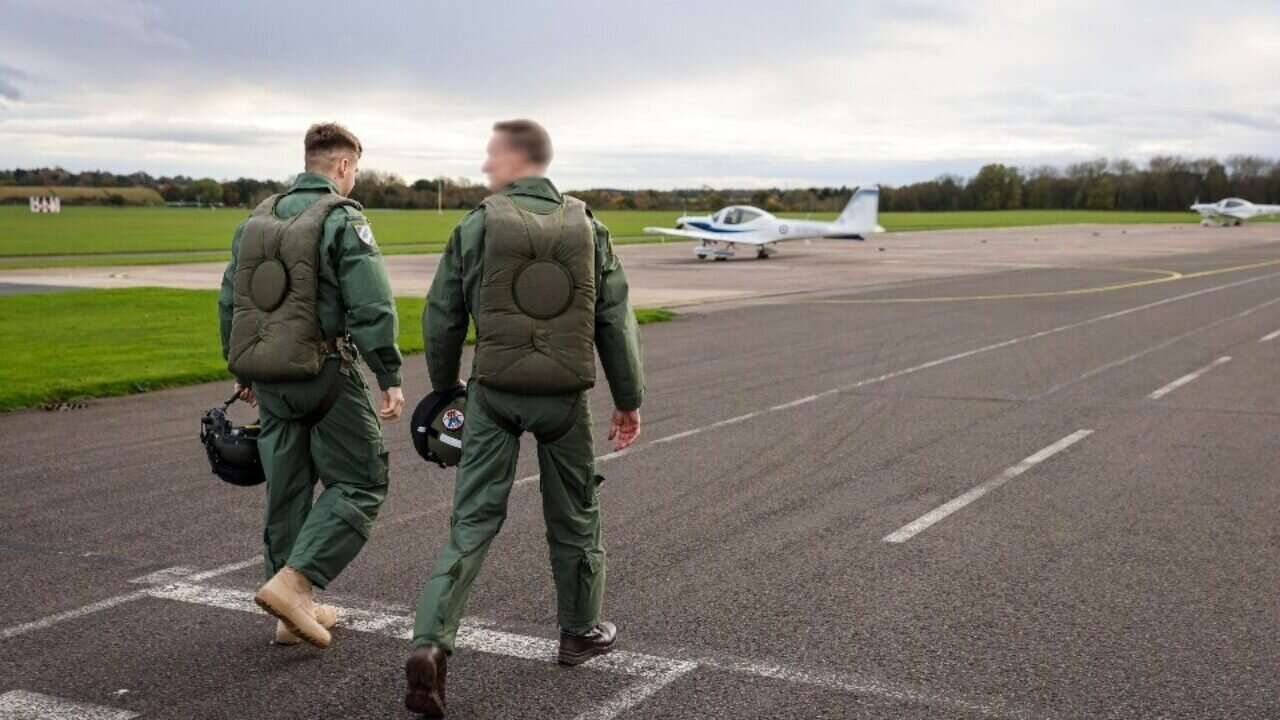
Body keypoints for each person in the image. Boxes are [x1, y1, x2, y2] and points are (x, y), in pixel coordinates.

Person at [404, 119, 645, 716]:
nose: (487, 166)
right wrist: (628, 397)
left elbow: (441, 315)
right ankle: (579, 631)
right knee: (576, 512)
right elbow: (614, 319)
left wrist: (444, 390)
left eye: (493, 156)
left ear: (519, 159)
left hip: (494, 393)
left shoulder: (479, 224)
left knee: (472, 521)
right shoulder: (589, 227)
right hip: (565, 398)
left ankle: (432, 643)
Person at [217, 122, 405, 649]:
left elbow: (231, 301)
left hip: (268, 377)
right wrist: (388, 373)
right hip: (323, 372)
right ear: (344, 166)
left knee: (288, 490)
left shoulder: (256, 221)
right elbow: (371, 303)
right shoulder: (342, 218)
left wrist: (242, 370)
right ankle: (296, 586)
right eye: (356, 170)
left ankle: (289, 614)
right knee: (363, 481)